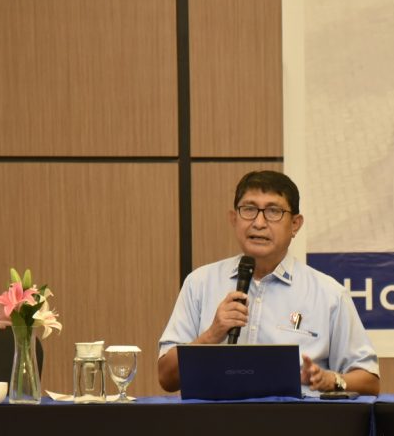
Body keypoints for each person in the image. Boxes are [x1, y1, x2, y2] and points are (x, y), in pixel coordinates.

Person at [158, 170, 380, 396]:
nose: (259, 223)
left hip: (296, 417)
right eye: (249, 209)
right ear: (234, 219)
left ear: (295, 224)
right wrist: (212, 335)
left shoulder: (329, 294)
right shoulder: (200, 284)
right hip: (214, 418)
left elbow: (369, 382)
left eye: (274, 212)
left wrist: (331, 380)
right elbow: (166, 377)